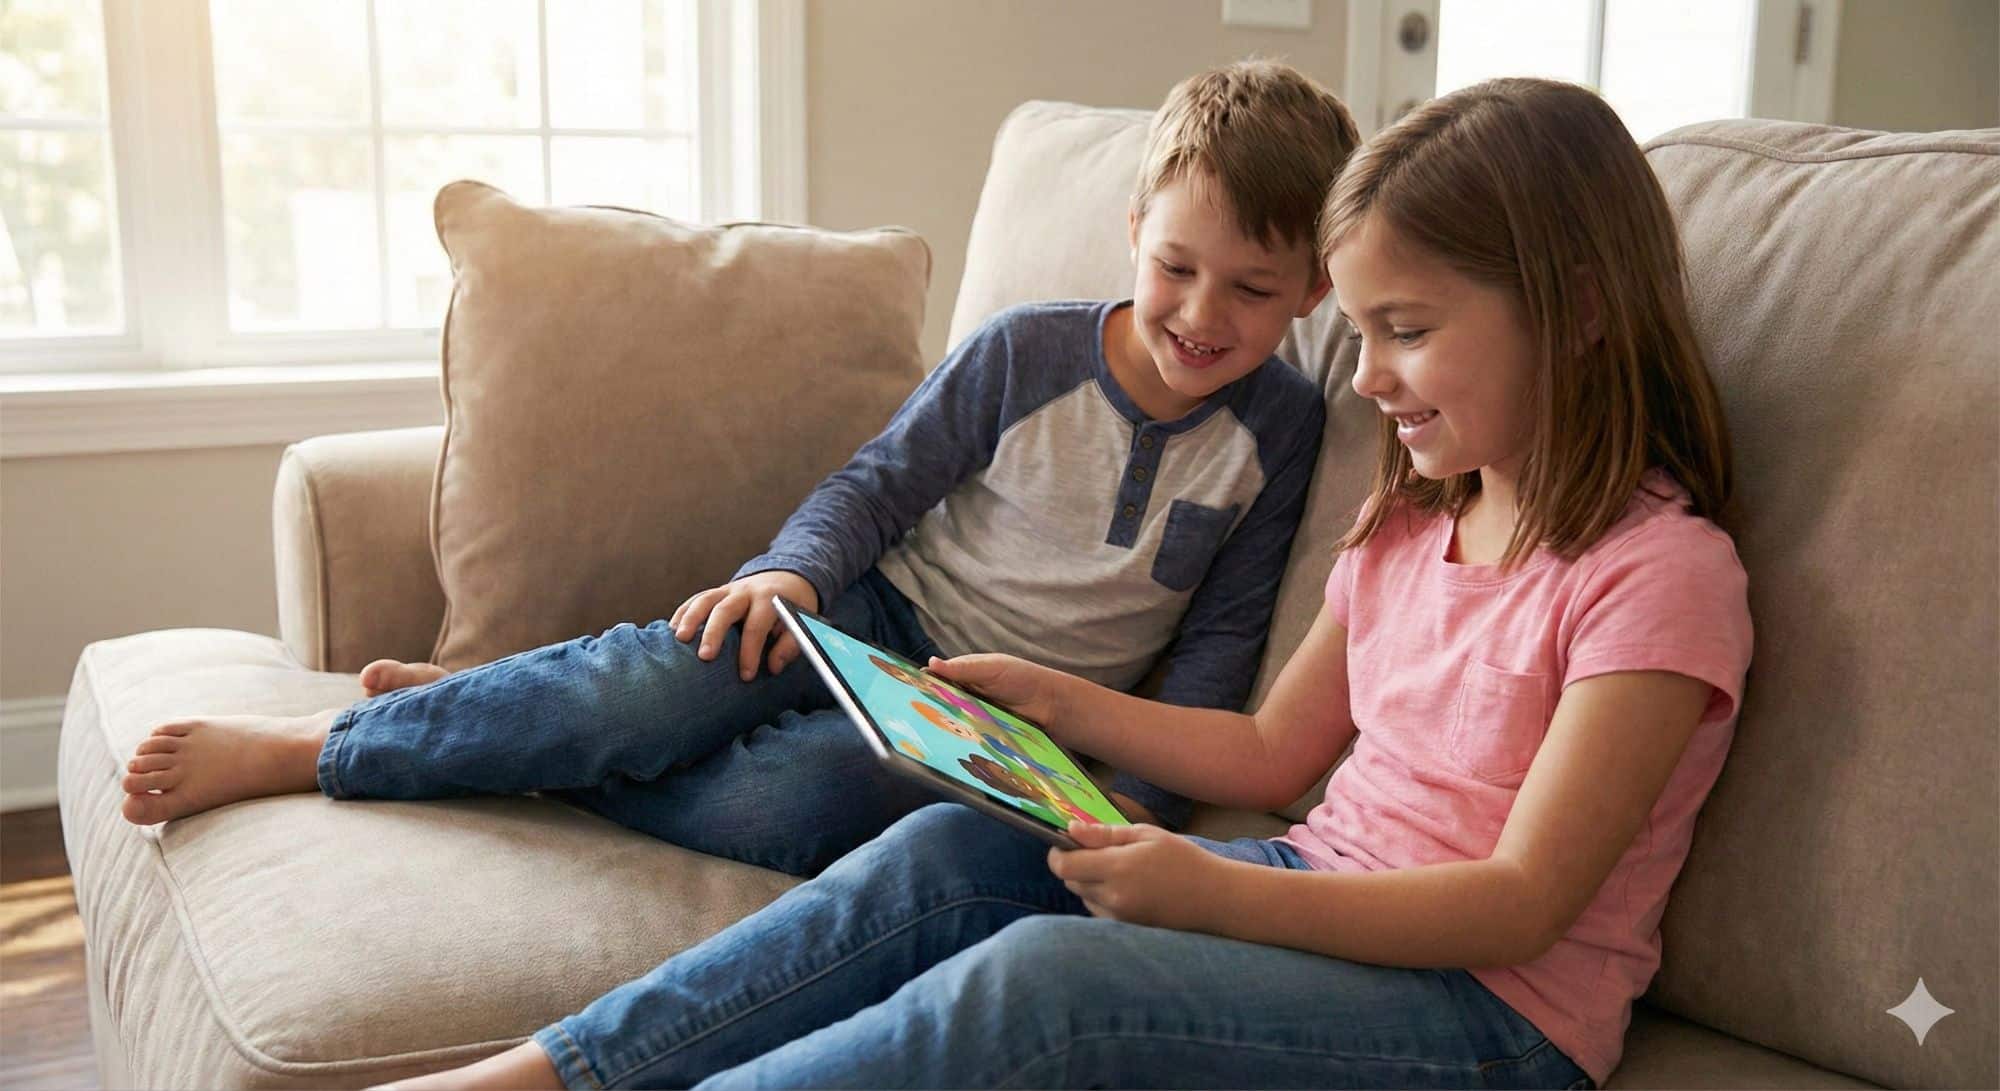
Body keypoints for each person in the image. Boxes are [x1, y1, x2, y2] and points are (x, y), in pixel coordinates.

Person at [383, 77, 1753, 1090]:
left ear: (1573, 306)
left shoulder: (1661, 576)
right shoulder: (1411, 520)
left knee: (1044, 982)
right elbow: (1276, 748)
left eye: (1406, 332)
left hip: (1492, 1013)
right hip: (1321, 886)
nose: (1371, 376)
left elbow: (1520, 901)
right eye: (1366, 333)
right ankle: (549, 1074)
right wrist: (1055, 704)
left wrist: (1209, 890)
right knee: (950, 850)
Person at [115, 61, 1359, 879]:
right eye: (1175, 267)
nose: (1201, 313)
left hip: (1004, 722)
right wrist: (789, 574)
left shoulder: (1283, 432)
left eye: (1253, 291)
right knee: (639, 693)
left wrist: (1131, 798)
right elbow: (871, 486)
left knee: (792, 814)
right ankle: (330, 741)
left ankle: (494, 718)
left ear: (1310, 290)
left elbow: (1217, 646)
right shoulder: (1023, 353)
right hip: (869, 616)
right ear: (1134, 230)